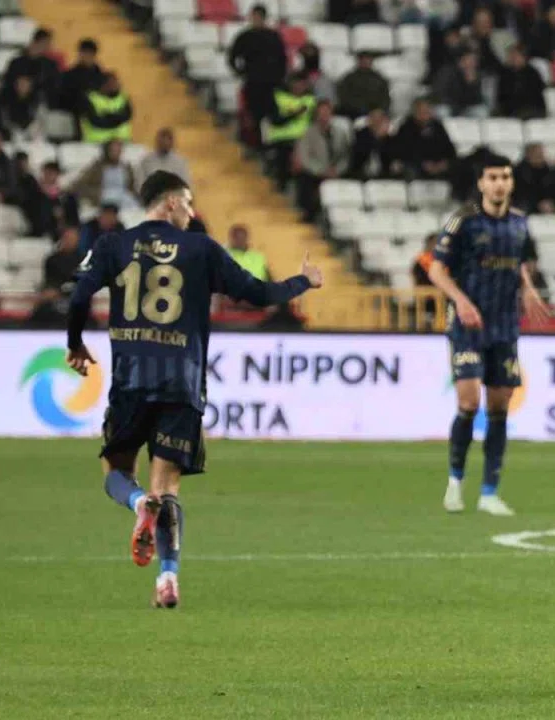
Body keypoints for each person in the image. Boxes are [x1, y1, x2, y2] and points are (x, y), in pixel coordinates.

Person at [64, 171, 322, 609]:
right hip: (182, 382)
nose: (191, 211)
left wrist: (74, 344)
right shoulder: (201, 248)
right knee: (168, 489)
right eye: (187, 203)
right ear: (169, 203)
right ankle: (168, 578)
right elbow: (257, 294)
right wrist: (302, 282)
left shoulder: (112, 245)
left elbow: (77, 297)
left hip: (130, 380)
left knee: (115, 471)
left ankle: (137, 503)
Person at [427, 155, 550, 517]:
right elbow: (436, 270)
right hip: (467, 326)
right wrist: (461, 301)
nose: (499, 183)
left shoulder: (520, 223)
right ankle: (454, 483)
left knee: (499, 408)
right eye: (493, 177)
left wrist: (527, 287)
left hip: (504, 326)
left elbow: (521, 262)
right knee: (468, 402)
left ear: (511, 183)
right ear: (481, 183)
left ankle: (489, 493)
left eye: (505, 177)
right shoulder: (463, 221)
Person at [229, 4, 288, 139]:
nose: (255, 19)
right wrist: (241, 72)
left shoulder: (273, 36)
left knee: (274, 116)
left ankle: (274, 143)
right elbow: (232, 57)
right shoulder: (245, 37)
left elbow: (282, 59)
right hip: (253, 83)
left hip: (272, 84)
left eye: (257, 16)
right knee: (254, 117)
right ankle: (255, 143)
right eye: (253, 16)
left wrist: (280, 77)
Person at [294, 100, 353, 220]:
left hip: (337, 172)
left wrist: (337, 170)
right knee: (305, 182)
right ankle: (310, 215)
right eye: (321, 113)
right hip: (315, 173)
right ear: (316, 115)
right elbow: (305, 157)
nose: (324, 116)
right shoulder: (308, 133)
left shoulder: (340, 133)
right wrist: (322, 171)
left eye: (326, 113)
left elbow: (345, 156)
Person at [263, 74, 316, 188]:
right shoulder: (278, 97)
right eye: (296, 84)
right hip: (282, 138)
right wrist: (294, 114)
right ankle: (282, 182)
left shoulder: (310, 100)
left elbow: (315, 122)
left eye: (302, 84)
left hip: (303, 139)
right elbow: (275, 120)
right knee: (285, 153)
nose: (299, 87)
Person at [392, 99, 457, 180]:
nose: (424, 114)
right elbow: (403, 152)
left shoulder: (437, 127)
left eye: (427, 111)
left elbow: (449, 149)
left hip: (438, 165)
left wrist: (443, 163)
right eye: (421, 111)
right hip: (416, 166)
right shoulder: (406, 128)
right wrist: (423, 164)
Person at [69, 139, 139, 209]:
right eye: (113, 150)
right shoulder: (97, 167)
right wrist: (95, 194)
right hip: (105, 198)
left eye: (118, 150)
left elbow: (132, 187)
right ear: (107, 151)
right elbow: (79, 184)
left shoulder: (126, 167)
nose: (116, 153)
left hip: (124, 198)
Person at [4, 29, 60, 108]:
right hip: (15, 104)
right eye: (48, 43)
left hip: (41, 105)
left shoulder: (50, 65)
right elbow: (7, 83)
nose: (49, 46)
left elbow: (54, 87)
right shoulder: (17, 63)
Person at [495, 44, 546, 119]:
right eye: (511, 56)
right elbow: (502, 96)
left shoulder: (532, 73)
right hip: (510, 110)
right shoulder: (505, 74)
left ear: (523, 57)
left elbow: (534, 96)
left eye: (515, 56)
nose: (512, 59)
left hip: (532, 109)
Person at [80, 73, 133, 144]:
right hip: (96, 143)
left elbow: (127, 115)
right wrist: (116, 118)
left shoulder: (122, 96)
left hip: (121, 143)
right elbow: (96, 121)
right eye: (113, 83)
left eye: (117, 82)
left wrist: (109, 117)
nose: (117, 85)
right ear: (104, 85)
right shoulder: (90, 98)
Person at [56, 38, 105, 116]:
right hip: (74, 116)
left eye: (89, 54)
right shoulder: (69, 76)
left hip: (97, 116)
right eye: (84, 53)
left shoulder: (101, 77)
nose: (86, 56)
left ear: (94, 55)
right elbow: (62, 100)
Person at [349, 109, 402, 179]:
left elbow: (390, 159)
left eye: (380, 120)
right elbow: (358, 157)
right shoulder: (361, 135)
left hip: (385, 175)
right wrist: (375, 138)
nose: (376, 123)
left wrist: (382, 139)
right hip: (361, 174)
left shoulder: (390, 139)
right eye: (374, 120)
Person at [336, 51, 391, 118]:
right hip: (353, 114)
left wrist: (379, 111)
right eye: (363, 60)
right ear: (359, 61)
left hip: (376, 115)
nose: (365, 62)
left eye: (368, 59)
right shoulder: (349, 79)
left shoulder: (379, 79)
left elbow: (385, 99)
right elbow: (344, 97)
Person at [434, 52, 489, 119]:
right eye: (469, 60)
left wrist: (472, 84)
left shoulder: (476, 76)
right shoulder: (448, 72)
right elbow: (441, 94)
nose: (471, 64)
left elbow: (478, 100)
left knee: (482, 112)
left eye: (473, 61)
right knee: (442, 111)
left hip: (466, 109)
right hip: (450, 107)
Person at [0, 74, 45, 143]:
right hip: (9, 137)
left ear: (30, 85)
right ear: (15, 84)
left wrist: (29, 132)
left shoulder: (37, 101)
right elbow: (4, 121)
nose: (23, 86)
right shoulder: (5, 101)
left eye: (25, 83)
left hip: (31, 137)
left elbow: (39, 120)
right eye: (20, 83)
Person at [513, 142, 555, 213]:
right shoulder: (520, 171)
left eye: (542, 153)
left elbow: (551, 189)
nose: (541, 156)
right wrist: (537, 204)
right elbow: (521, 193)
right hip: (525, 202)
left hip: (544, 203)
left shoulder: (547, 170)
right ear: (529, 154)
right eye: (538, 154)